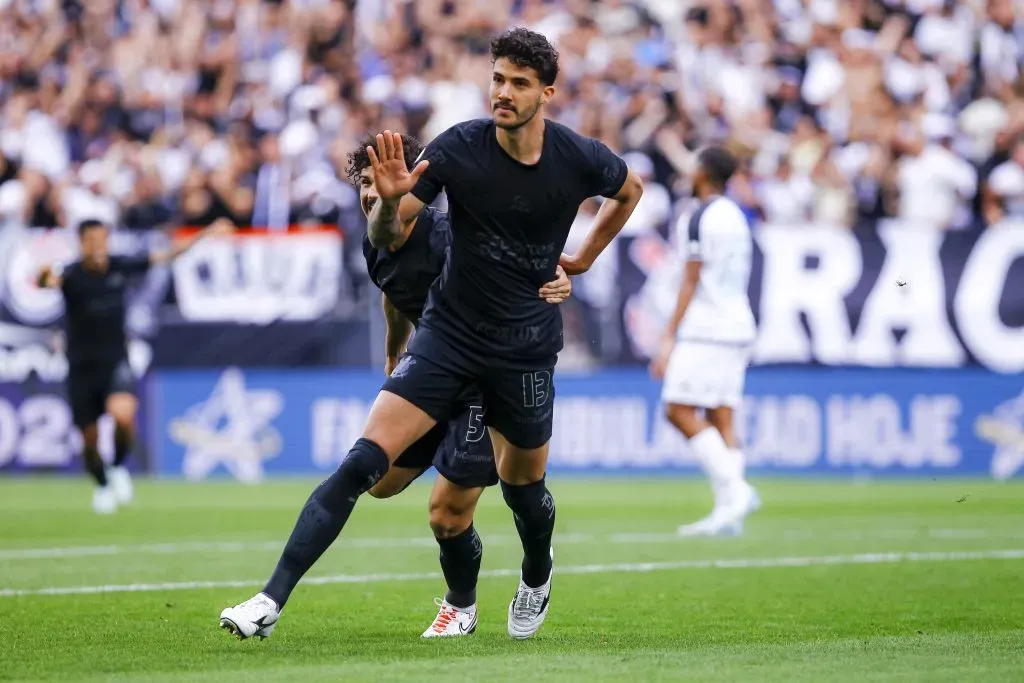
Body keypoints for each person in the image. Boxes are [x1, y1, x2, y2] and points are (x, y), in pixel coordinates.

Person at [218, 27, 642, 641]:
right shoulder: (459, 148)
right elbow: (391, 240)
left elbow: (628, 192)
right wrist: (388, 204)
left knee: (525, 490)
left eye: (519, 83)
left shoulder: (577, 157)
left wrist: (581, 259)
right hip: (448, 337)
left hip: (523, 347)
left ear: (547, 92)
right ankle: (267, 601)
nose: (503, 92)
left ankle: (536, 571)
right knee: (363, 466)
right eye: (498, 78)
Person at [219, 132, 572, 640]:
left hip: (485, 379)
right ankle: (268, 601)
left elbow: (523, 264)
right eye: (364, 181)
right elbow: (394, 291)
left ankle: (470, 602)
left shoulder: (452, 235)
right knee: (369, 473)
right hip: (431, 371)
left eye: (381, 179)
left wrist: (561, 278)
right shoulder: (374, 241)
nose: (371, 191)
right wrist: (394, 342)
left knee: (449, 517)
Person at [36, 218, 234, 514]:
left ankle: (116, 467)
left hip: (115, 359)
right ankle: (102, 484)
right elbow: (45, 282)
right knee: (89, 438)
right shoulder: (72, 274)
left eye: (102, 239)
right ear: (82, 243)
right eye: (91, 240)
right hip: (80, 366)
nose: (98, 246)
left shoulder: (120, 266)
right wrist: (43, 274)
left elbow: (168, 254)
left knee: (124, 416)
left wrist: (205, 234)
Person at [649, 146, 760, 537]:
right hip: (738, 323)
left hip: (707, 328)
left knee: (677, 409)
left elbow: (690, 280)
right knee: (721, 414)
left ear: (704, 172)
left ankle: (736, 490)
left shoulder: (698, 216)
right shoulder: (736, 213)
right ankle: (729, 511)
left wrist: (667, 338)